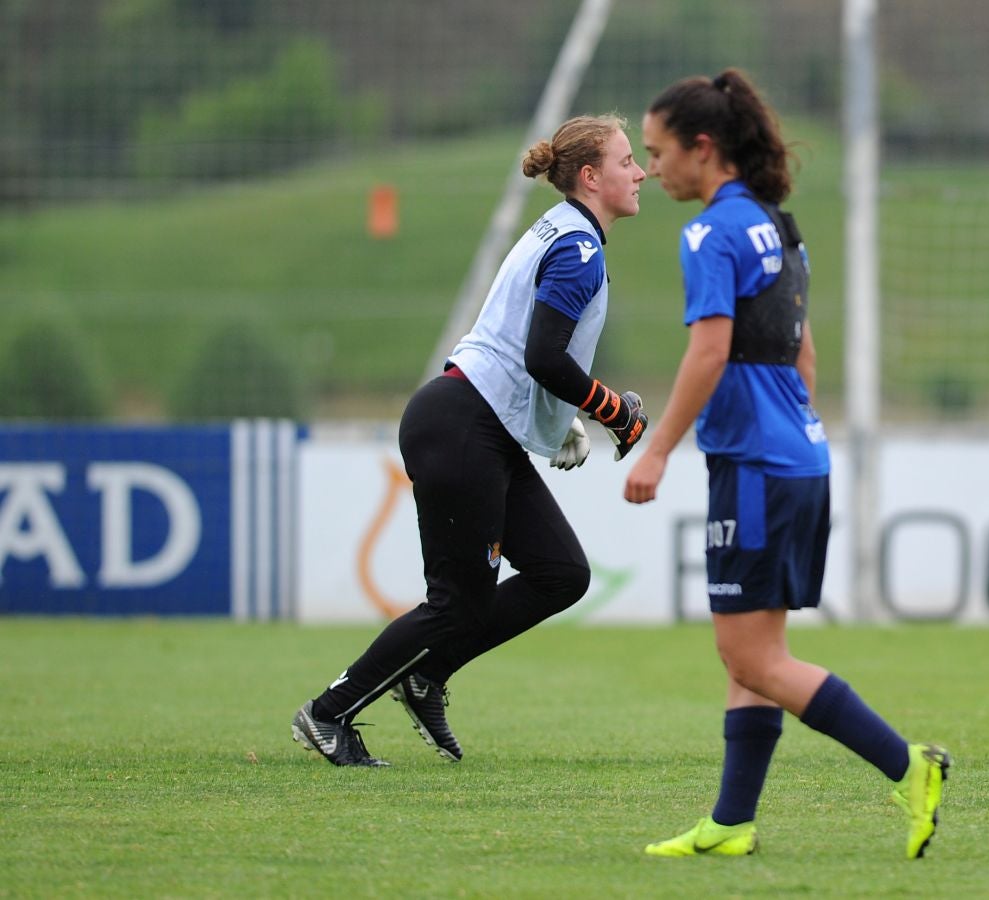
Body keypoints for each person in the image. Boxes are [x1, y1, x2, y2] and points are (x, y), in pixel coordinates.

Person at [625, 70, 951, 859]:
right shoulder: (778, 226)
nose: (651, 168)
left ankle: (909, 765)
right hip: (798, 454)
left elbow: (708, 350)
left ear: (704, 149)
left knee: (748, 655)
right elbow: (801, 355)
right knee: (754, 651)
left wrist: (658, 447)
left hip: (756, 464)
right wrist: (782, 425)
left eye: (658, 151)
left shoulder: (711, 234)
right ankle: (732, 822)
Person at [292, 114, 649, 766]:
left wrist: (557, 419)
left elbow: (525, 352)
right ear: (591, 176)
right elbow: (543, 355)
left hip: (479, 423)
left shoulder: (565, 233)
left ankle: (428, 675)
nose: (641, 172)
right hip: (464, 426)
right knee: (457, 603)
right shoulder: (577, 247)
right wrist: (611, 412)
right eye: (627, 161)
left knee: (560, 574)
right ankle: (327, 712)